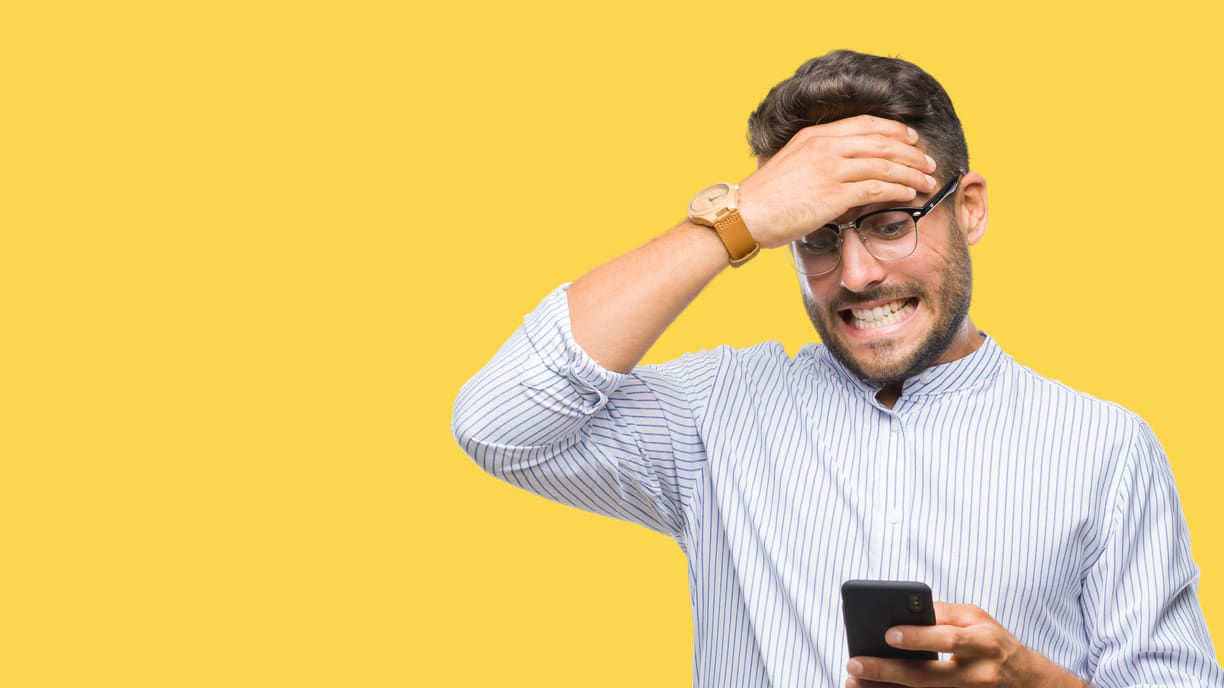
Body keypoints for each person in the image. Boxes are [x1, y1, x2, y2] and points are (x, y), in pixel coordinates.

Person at [449, 49, 1224, 687]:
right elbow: (499, 425)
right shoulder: (717, 415)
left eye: (890, 224)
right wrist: (734, 219)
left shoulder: (1105, 449)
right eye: (817, 237)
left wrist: (1031, 680)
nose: (854, 274)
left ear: (971, 209)